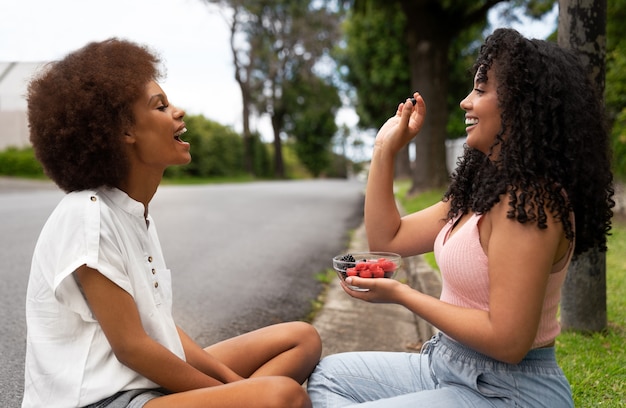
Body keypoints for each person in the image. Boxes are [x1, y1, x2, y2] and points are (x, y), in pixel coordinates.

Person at [307, 28, 614, 407]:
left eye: (481, 90)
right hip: (445, 365)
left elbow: (509, 341)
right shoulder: (482, 188)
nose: (465, 103)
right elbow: (388, 240)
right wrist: (384, 150)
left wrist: (403, 294)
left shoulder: (531, 204)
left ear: (521, 102)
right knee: (326, 377)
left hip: (508, 390)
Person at [23, 38, 321, 408]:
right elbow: (133, 347)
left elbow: (157, 325)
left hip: (143, 384)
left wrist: (232, 385)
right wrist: (225, 394)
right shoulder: (87, 215)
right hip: (103, 399)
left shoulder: (132, 213)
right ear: (124, 132)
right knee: (282, 397)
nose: (178, 112)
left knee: (301, 339)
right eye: (160, 106)